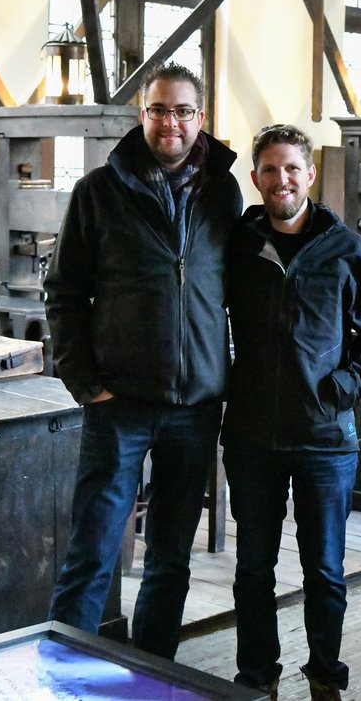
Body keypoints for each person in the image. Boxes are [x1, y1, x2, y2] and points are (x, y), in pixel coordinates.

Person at [44, 62, 242, 660]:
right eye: (159, 110)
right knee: (94, 551)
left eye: (183, 111)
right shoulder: (98, 192)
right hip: (119, 405)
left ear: (200, 119)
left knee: (170, 558)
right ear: (142, 114)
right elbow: (64, 292)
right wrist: (85, 382)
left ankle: (153, 675)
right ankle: (65, 676)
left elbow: (236, 291)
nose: (170, 123)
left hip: (196, 406)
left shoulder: (224, 193)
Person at [222, 124, 361, 700]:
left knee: (324, 572)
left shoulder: (347, 250)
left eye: (292, 168)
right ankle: (257, 678)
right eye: (269, 170)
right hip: (251, 436)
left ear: (310, 174)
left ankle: (326, 678)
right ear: (255, 178)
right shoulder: (239, 246)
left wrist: (338, 391)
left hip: (325, 440)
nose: (281, 180)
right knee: (253, 571)